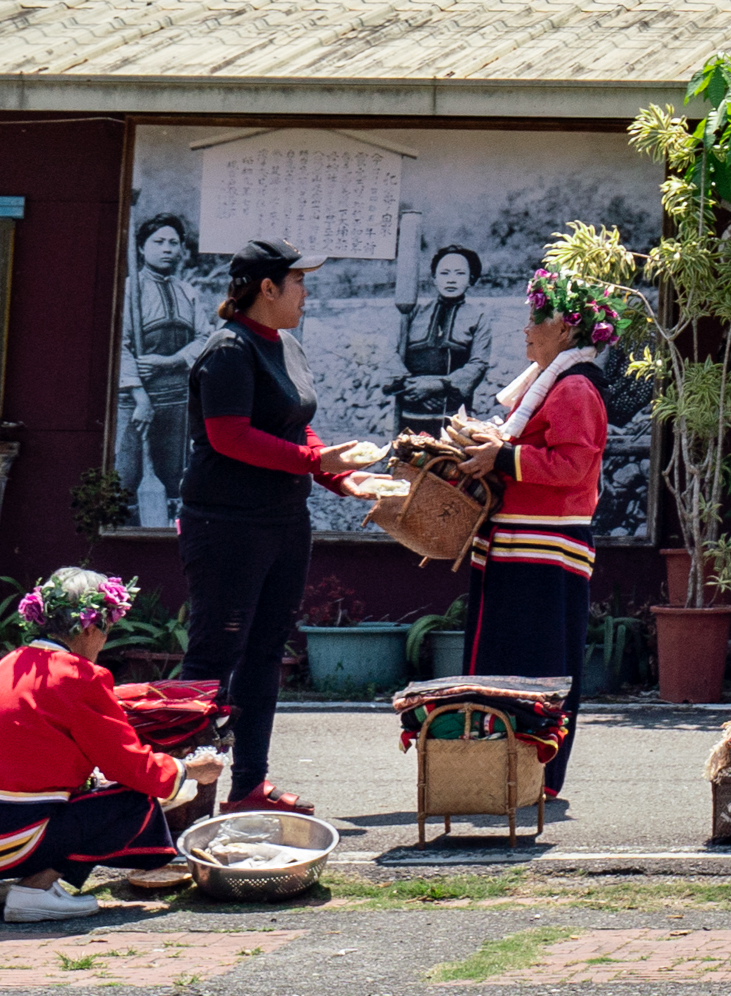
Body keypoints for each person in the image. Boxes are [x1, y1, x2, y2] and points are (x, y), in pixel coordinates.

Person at [176, 240, 364, 813]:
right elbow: (228, 435)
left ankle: (248, 786)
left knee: (264, 654)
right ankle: (183, 796)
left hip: (284, 521)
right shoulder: (228, 350)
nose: (306, 293)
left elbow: (294, 426)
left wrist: (339, 477)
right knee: (214, 657)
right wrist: (314, 463)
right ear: (267, 288)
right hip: (227, 525)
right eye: (299, 281)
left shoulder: (286, 346)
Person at [0, 568, 190, 927]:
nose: (103, 641)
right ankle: (36, 890)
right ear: (87, 628)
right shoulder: (81, 676)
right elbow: (128, 767)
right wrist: (187, 771)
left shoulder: (11, 662)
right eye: (105, 630)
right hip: (7, 841)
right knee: (133, 802)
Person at [449, 267, 618, 790]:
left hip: (542, 555)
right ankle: (501, 771)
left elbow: (574, 467)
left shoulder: (574, 389)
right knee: (514, 659)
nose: (525, 329)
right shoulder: (555, 385)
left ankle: (531, 774)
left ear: (565, 330)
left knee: (537, 662)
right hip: (522, 550)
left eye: (534, 319)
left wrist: (502, 456)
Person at [119, 220, 203, 523]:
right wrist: (140, 396)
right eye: (158, 241)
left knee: (173, 480)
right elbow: (120, 344)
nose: (167, 248)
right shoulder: (128, 290)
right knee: (127, 480)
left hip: (177, 401)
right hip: (135, 403)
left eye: (173, 242)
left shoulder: (188, 292)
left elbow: (204, 338)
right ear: (142, 248)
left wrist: (169, 361)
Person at [390, 240, 493, 434]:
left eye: (460, 273)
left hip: (453, 411)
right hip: (411, 409)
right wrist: (410, 386)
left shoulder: (479, 317)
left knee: (449, 459)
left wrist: (438, 386)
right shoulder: (412, 313)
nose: (451, 280)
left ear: (471, 278)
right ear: (434, 278)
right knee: (408, 459)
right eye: (444, 273)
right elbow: (391, 353)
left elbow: (478, 364)